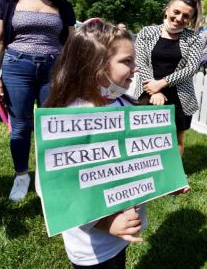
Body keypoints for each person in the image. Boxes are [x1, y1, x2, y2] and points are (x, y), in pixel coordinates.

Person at [43, 19, 145, 269]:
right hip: (91, 247)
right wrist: (107, 222)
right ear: (95, 66)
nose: (136, 68)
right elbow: (60, 191)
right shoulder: (69, 118)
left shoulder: (123, 104)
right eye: (127, 61)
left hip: (122, 234)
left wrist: (167, 181)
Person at [0, 0, 76, 202]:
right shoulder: (8, 1)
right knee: (20, 128)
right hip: (17, 68)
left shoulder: (62, 5)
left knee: (52, 127)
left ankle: (48, 178)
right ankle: (21, 176)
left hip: (53, 70)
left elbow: (71, 44)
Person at [134, 0, 203, 156]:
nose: (179, 18)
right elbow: (140, 61)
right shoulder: (147, 32)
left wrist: (162, 83)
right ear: (167, 10)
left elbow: (191, 68)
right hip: (147, 91)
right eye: (176, 12)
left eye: (186, 16)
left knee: (176, 139)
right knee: (142, 137)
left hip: (180, 97)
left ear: (191, 19)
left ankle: (175, 178)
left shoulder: (193, 39)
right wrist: (155, 89)